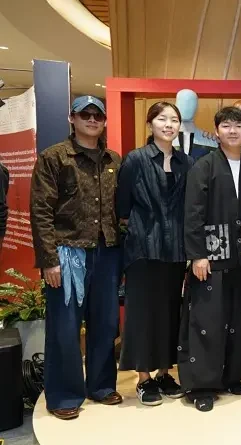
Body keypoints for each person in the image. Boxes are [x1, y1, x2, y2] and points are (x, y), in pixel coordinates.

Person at [30, 96, 123, 420]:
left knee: (106, 323)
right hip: (68, 253)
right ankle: (64, 394)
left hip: (107, 252)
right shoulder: (54, 157)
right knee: (65, 327)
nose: (92, 119)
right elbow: (40, 211)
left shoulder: (113, 160)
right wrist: (49, 260)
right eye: (85, 114)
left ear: (105, 121)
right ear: (72, 118)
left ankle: (101, 386)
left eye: (98, 115)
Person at [178, 106, 241, 412]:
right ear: (216, 131)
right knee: (207, 321)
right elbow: (192, 214)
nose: (233, 131)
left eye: (239, 126)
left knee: (240, 318)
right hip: (211, 257)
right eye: (226, 125)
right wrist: (197, 255)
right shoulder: (204, 165)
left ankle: (232, 375)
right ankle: (202, 385)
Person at [116, 102, 192, 406]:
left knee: (170, 312)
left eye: (174, 120)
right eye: (162, 119)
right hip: (143, 249)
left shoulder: (186, 162)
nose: (169, 124)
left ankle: (164, 372)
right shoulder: (136, 159)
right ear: (150, 124)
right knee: (142, 314)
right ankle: (144, 377)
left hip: (175, 251)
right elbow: (122, 206)